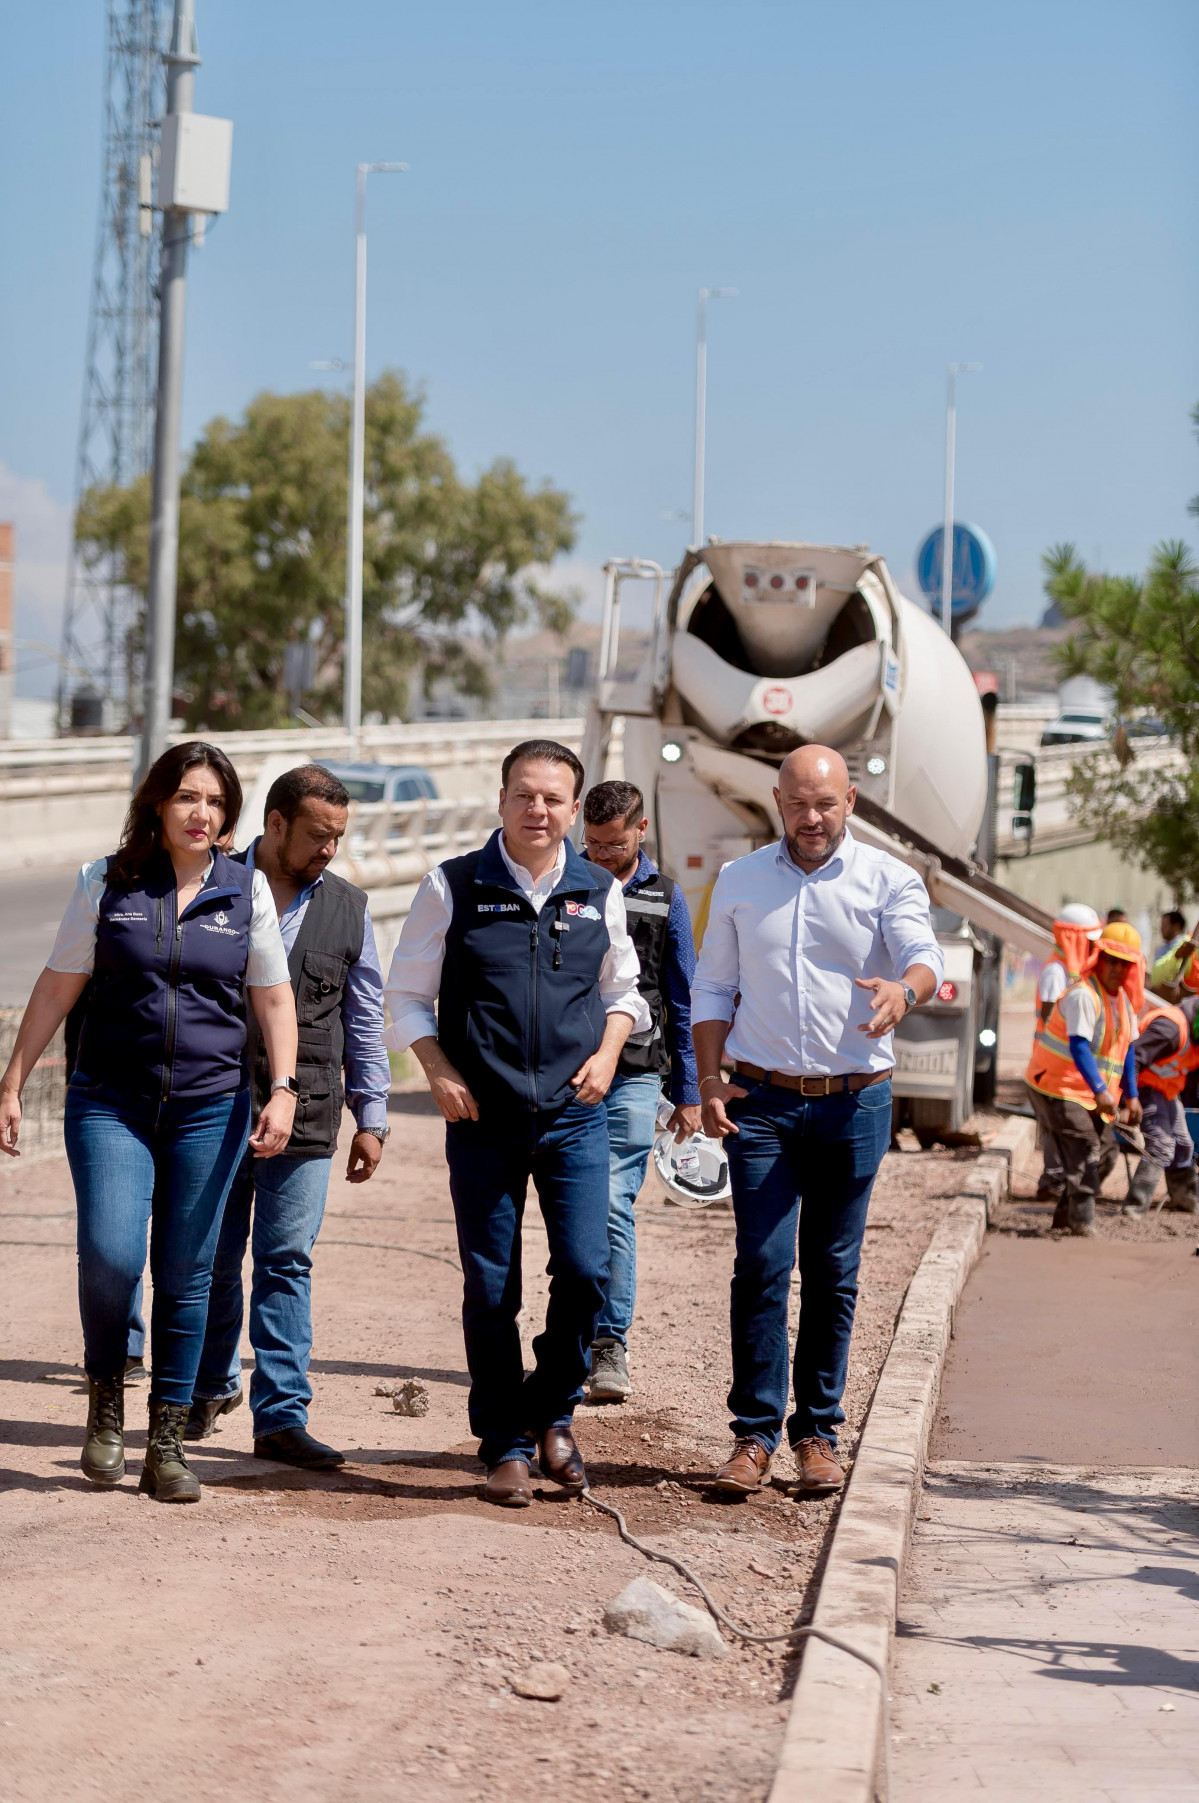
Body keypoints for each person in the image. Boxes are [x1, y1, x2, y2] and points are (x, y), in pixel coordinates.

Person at [0, 743, 297, 1502]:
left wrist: (285, 1087)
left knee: (189, 1270)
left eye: (214, 801)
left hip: (211, 1104)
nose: (200, 813)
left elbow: (271, 996)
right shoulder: (107, 879)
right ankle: (106, 1401)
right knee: (111, 1253)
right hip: (110, 1099)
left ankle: (166, 1440)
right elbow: (60, 981)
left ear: (228, 814)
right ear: (158, 803)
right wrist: (12, 1081)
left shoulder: (246, 891)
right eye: (186, 797)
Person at [383, 739, 650, 1507]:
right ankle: (503, 1442)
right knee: (490, 1285)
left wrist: (606, 1055)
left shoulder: (597, 888)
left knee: (587, 1269)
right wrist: (436, 1069)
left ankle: (551, 1411)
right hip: (483, 1118)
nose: (539, 810)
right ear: (500, 801)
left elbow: (625, 991)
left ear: (573, 808)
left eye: (553, 798)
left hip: (575, 1116)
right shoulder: (454, 885)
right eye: (524, 795)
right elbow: (404, 995)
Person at [690, 745, 942, 1498]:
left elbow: (921, 955)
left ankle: (817, 1433)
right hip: (759, 1102)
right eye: (797, 803)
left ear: (850, 802)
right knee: (761, 1266)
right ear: (776, 800)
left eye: (825, 803)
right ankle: (752, 1435)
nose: (811, 818)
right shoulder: (738, 882)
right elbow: (712, 987)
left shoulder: (887, 879)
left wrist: (904, 988)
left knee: (833, 1271)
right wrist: (707, 1077)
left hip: (853, 1101)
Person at [187, 765, 392, 1469]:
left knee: (285, 1259)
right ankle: (207, 1385)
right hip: (209, 1103)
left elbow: (363, 1021)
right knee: (208, 1256)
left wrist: (373, 1114)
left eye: (338, 837)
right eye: (316, 835)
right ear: (274, 824)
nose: (328, 850)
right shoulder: (207, 886)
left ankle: (281, 1416)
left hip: (304, 1114)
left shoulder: (349, 908)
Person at [580, 779, 701, 1403]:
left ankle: (608, 1344)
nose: (601, 856)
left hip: (634, 1073)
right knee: (571, 1206)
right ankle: (569, 1336)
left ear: (642, 831)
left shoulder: (667, 898)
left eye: (614, 844)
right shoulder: (566, 885)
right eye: (593, 845)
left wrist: (689, 1089)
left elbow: (683, 997)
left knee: (609, 1202)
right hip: (566, 1075)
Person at [1024, 920, 1144, 1236]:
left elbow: (1128, 1050)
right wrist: (1102, 1090)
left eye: (1125, 964)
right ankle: (1082, 1225)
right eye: (1112, 961)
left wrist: (1131, 1096)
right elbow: (1079, 1047)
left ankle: (1065, 1216)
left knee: (1107, 1154)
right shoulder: (1083, 995)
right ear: (1099, 959)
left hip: (1086, 1093)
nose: (1117, 970)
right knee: (1086, 1146)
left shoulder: (1125, 1004)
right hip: (1055, 1086)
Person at [1033, 903, 1104, 1204]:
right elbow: (1052, 1019)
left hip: (1064, 1068)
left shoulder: (1071, 970)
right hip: (1051, 1066)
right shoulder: (1056, 970)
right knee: (1055, 1129)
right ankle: (1052, 1181)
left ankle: (1059, 1181)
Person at [1123, 993, 1199, 1217]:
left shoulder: (1194, 1037)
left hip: (1166, 1091)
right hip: (1141, 1089)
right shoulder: (1170, 1028)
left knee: (1184, 1145)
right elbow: (1132, 1059)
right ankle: (1134, 1208)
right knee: (1161, 1146)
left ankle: (1187, 1203)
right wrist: (1129, 1100)